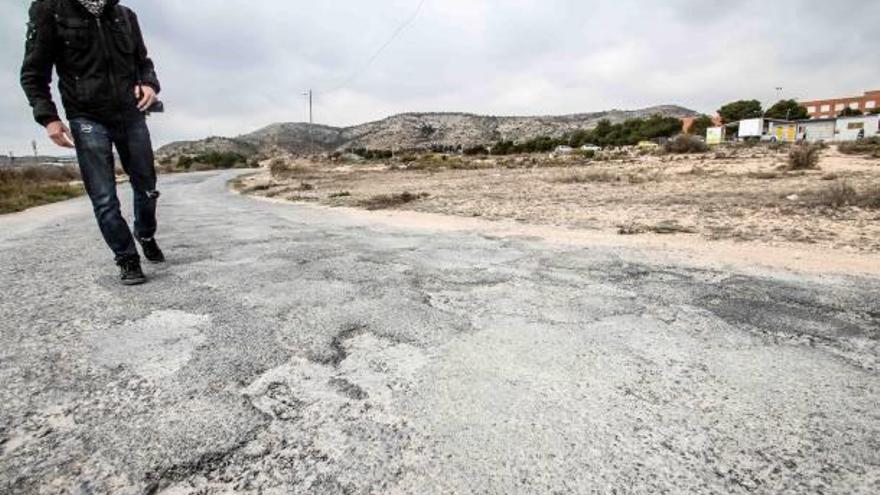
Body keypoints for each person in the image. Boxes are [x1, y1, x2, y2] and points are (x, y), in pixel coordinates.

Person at [21, 0, 164, 285]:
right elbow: (33, 73)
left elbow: (143, 62)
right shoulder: (49, 10)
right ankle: (127, 258)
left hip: (131, 113)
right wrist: (48, 118)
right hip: (86, 116)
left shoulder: (124, 14)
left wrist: (149, 84)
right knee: (104, 196)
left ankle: (145, 233)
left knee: (147, 188)